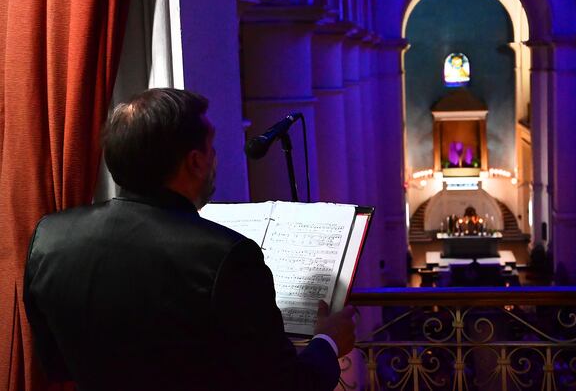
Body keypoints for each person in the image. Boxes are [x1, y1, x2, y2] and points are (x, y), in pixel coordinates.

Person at [24, 88, 355, 391]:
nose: (214, 159)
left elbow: (55, 364)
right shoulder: (228, 257)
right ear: (195, 162)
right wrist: (328, 340)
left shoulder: (49, 237)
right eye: (211, 150)